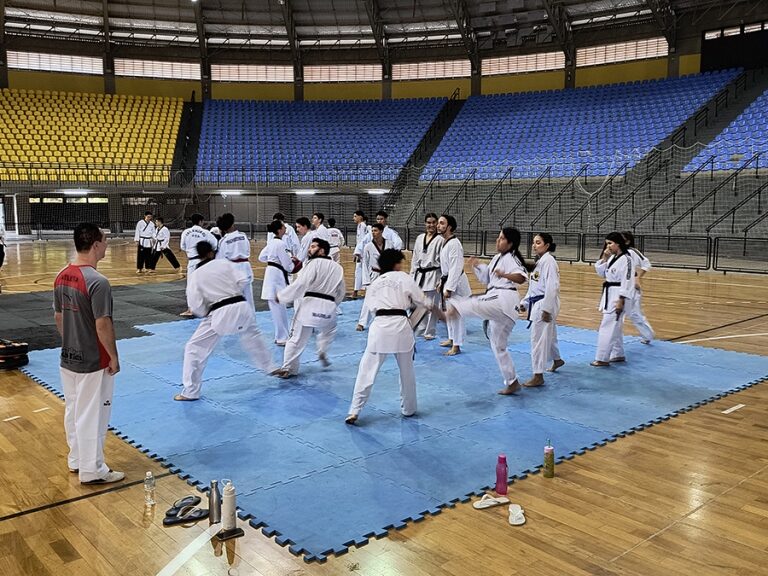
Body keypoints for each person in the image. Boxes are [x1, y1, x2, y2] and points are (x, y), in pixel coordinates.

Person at [53, 223, 123, 485]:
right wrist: (113, 356)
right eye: (105, 240)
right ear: (95, 245)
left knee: (73, 410)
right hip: (93, 359)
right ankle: (93, 470)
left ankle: (77, 459)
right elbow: (102, 323)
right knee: (93, 414)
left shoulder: (61, 275)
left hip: (68, 357)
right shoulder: (98, 281)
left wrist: (71, 341)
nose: (107, 245)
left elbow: (59, 316)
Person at [177, 241, 277, 400]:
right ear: (211, 253)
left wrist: (205, 311)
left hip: (220, 311)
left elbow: (195, 305)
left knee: (194, 348)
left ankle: (190, 391)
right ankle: (271, 367)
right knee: (254, 337)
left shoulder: (196, 275)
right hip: (242, 306)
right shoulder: (224, 263)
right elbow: (243, 280)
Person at [346, 249, 433, 425]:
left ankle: (354, 410)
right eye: (401, 262)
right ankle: (409, 409)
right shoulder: (404, 278)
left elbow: (371, 309)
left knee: (366, 371)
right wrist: (418, 319)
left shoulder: (375, 283)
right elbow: (424, 302)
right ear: (396, 264)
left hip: (379, 328)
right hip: (401, 326)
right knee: (407, 371)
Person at [449, 228, 528, 395]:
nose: (497, 241)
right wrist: (477, 266)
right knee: (498, 345)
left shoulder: (511, 257)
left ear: (510, 243)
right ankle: (512, 381)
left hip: (503, 299)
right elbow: (487, 279)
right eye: (498, 238)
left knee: (472, 302)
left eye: (501, 238)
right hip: (501, 303)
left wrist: (505, 274)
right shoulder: (497, 258)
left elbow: (521, 277)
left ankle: (453, 309)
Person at [275, 238, 346, 377]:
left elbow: (301, 284)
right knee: (328, 331)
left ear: (322, 250)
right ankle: (322, 350)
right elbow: (341, 292)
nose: (309, 249)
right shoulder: (338, 268)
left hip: (310, 305)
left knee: (296, 338)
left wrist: (282, 296)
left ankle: (288, 368)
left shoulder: (314, 263)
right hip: (329, 308)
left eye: (313, 247)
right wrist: (333, 304)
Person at [518, 233, 564, 388]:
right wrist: (524, 302)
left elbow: (552, 287)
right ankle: (557, 360)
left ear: (547, 245)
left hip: (545, 303)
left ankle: (538, 375)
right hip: (538, 301)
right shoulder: (540, 261)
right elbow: (534, 287)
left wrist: (547, 309)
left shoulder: (549, 262)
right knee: (549, 335)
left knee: (537, 340)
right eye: (533, 242)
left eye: (538, 242)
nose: (534, 245)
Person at [592, 232, 634, 367]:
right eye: (607, 243)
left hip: (618, 295)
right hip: (610, 293)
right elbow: (602, 273)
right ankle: (618, 354)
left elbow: (627, 280)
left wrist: (621, 299)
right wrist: (604, 257)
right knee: (615, 326)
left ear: (618, 243)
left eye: (610, 243)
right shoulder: (613, 257)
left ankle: (602, 358)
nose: (608, 246)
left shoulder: (627, 259)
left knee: (607, 326)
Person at [437, 214, 471, 356]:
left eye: (441, 223)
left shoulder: (454, 244)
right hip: (448, 280)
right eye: (438, 223)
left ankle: (457, 345)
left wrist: (449, 288)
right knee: (449, 313)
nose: (438, 226)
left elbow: (456, 267)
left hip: (456, 284)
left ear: (449, 226)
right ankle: (452, 339)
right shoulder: (445, 242)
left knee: (456, 315)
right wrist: (441, 282)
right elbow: (445, 267)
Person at [258, 220, 294, 345]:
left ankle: (283, 335)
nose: (285, 228)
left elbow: (261, 257)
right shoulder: (280, 244)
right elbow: (287, 264)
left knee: (278, 307)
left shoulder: (271, 243)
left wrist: (272, 259)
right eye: (284, 226)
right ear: (279, 230)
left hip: (272, 273)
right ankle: (281, 337)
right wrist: (293, 265)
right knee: (278, 307)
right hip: (277, 275)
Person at [410, 213, 443, 340]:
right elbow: (414, 258)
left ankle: (430, 331)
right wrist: (412, 275)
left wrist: (441, 279)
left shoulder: (440, 240)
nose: (431, 225)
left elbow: (443, 261)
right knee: (420, 303)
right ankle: (421, 327)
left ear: (437, 224)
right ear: (425, 224)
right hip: (420, 274)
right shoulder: (419, 238)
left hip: (434, 274)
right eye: (428, 222)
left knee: (432, 304)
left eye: (434, 222)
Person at [179, 214, 219, 317]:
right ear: (201, 221)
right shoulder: (205, 233)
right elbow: (215, 245)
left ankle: (190, 309)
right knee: (207, 284)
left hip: (192, 261)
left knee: (191, 286)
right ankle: (211, 307)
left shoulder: (186, 232)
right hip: (205, 261)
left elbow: (182, 247)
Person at [621, 231, 655, 345]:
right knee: (616, 313)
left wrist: (638, 278)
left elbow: (647, 264)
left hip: (632, 287)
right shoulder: (618, 253)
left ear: (628, 241)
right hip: (620, 286)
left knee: (635, 313)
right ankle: (614, 338)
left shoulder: (633, 252)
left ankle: (647, 335)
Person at [216, 213, 254, 308]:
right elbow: (248, 250)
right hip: (246, 268)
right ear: (232, 224)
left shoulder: (224, 241)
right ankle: (251, 319)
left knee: (235, 299)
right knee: (248, 297)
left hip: (233, 270)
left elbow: (220, 259)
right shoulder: (243, 236)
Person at [356, 223, 386, 331]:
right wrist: (366, 281)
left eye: (376, 231)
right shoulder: (368, 246)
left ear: (381, 231)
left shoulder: (389, 244)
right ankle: (362, 323)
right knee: (369, 298)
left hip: (386, 274)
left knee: (387, 299)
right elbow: (365, 264)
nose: (373, 233)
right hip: (374, 274)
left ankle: (384, 321)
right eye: (372, 231)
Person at [352, 211, 369, 299]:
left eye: (355, 216)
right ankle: (357, 291)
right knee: (359, 271)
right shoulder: (360, 226)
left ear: (360, 217)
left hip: (362, 253)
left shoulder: (362, 226)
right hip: (361, 252)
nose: (353, 218)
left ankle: (357, 291)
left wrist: (358, 253)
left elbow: (363, 241)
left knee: (361, 271)